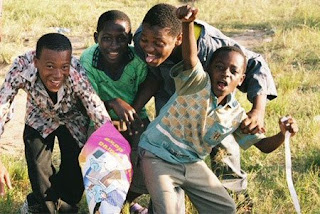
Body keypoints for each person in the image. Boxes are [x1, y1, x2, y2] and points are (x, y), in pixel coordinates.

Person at [138, 4, 298, 214]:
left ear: (242, 79)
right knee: (168, 208)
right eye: (220, 68)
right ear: (209, 69)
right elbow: (189, 60)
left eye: (233, 72)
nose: (225, 74)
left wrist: (282, 133)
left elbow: (264, 146)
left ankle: (238, 199)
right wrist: (187, 24)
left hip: (190, 161)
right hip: (160, 153)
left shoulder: (235, 112)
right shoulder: (196, 81)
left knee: (226, 205)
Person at [0, 33, 111, 214]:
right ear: (36, 62)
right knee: (38, 168)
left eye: (63, 67)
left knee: (75, 168)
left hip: (72, 117)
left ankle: (65, 205)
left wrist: (112, 148)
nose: (57, 74)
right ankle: (44, 207)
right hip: (39, 116)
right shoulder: (21, 67)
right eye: (50, 66)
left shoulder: (75, 72)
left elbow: (95, 107)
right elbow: (2, 105)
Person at [80, 10, 149, 213]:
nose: (114, 45)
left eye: (121, 39)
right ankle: (105, 205)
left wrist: (132, 113)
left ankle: (125, 201)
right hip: (99, 120)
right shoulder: (87, 61)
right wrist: (111, 103)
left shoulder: (138, 60)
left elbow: (152, 82)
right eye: (107, 39)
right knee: (101, 161)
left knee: (149, 155)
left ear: (129, 39)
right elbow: (84, 99)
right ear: (96, 38)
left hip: (136, 118)